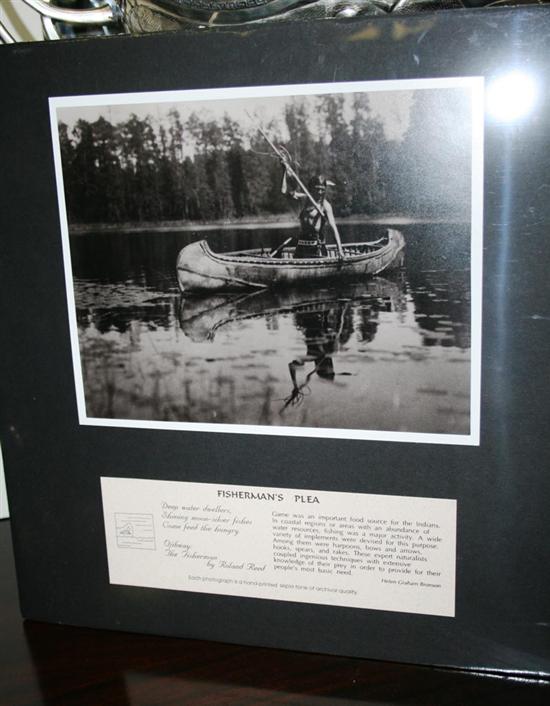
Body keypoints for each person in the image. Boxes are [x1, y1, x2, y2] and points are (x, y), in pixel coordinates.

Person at [280, 166, 343, 259]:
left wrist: (340, 251)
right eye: (317, 189)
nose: (320, 192)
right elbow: (284, 192)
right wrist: (284, 170)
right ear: (311, 189)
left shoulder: (325, 206)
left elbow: (334, 229)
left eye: (322, 189)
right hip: (301, 248)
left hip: (317, 250)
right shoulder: (304, 200)